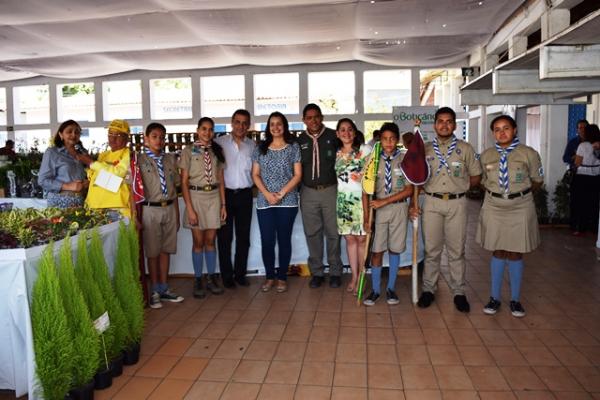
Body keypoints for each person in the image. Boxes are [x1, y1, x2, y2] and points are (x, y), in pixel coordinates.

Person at [415, 107, 482, 313]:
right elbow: (416, 177)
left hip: (457, 204)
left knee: (456, 250)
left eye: (449, 121)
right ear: (434, 124)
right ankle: (428, 289)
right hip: (432, 202)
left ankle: (459, 292)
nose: (444, 125)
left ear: (454, 124)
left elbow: (476, 176)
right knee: (432, 250)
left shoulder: (465, 148)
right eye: (440, 121)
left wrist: (460, 190)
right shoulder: (424, 149)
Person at [477, 115, 544, 318]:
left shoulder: (528, 154)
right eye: (497, 129)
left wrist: (517, 194)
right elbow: (481, 180)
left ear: (514, 130)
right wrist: (499, 193)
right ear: (493, 133)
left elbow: (537, 180)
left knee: (516, 251)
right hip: (494, 205)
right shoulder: (487, 155)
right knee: (498, 250)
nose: (502, 132)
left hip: (520, 206)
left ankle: (515, 300)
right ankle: (494, 298)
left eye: (506, 128)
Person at [363, 122, 413, 306]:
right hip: (378, 211)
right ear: (379, 140)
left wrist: (386, 201)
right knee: (377, 251)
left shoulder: (405, 159)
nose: (389, 142)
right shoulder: (372, 159)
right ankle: (375, 290)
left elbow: (409, 190)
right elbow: (365, 190)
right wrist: (367, 216)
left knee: (395, 249)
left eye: (392, 138)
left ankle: (391, 289)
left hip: (398, 209)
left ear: (397, 139)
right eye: (385, 139)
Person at [252, 112, 302, 293]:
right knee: (267, 241)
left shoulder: (293, 147)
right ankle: (269, 277)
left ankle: (281, 277)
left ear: (284, 126)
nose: (275, 127)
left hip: (287, 201)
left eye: (279, 124)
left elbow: (298, 175)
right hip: (265, 203)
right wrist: (267, 194)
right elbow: (255, 175)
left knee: (284, 240)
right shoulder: (260, 148)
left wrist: (280, 194)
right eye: (272, 124)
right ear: (268, 127)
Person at [297, 103, 343, 288]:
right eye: (309, 118)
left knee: (333, 233)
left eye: (316, 116)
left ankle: (335, 272)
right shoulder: (298, 141)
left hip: (331, 190)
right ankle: (317, 272)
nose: (313, 120)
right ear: (304, 120)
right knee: (312, 233)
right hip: (308, 192)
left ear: (321, 117)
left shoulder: (334, 136)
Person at [138, 122, 183, 309]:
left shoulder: (170, 159)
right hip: (150, 209)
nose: (159, 140)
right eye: (154, 136)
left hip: (170, 207)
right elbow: (135, 191)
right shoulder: (138, 160)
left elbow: (175, 187)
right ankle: (154, 290)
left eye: (162, 137)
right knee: (153, 251)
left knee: (166, 249)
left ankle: (164, 288)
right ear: (146, 139)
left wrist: (177, 214)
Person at [180, 117, 226, 298]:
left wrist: (223, 205)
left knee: (210, 241)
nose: (207, 133)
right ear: (198, 130)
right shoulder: (188, 151)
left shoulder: (217, 150)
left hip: (214, 197)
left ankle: (212, 277)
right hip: (196, 197)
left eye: (210, 129)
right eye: (204, 129)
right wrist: (189, 208)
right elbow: (183, 182)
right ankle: (198, 278)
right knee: (198, 242)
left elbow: (221, 180)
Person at [215, 109, 255, 288]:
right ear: (232, 123)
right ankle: (227, 276)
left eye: (245, 123)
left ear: (249, 125)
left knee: (243, 238)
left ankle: (240, 274)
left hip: (245, 195)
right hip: (225, 196)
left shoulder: (253, 146)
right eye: (238, 122)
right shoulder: (219, 143)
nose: (241, 126)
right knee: (225, 238)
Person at [334, 118, 371, 293]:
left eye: (350, 129)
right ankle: (354, 276)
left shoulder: (365, 150)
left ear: (355, 132)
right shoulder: (335, 153)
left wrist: (363, 175)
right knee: (349, 239)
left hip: (361, 199)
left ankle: (362, 276)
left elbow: (373, 175)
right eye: (342, 130)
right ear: (337, 133)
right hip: (343, 200)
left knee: (362, 239)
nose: (346, 133)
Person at [82, 119, 135, 219]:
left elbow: (118, 173)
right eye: (110, 134)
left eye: (118, 135)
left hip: (116, 208)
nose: (113, 138)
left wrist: (92, 164)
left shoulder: (129, 154)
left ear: (127, 138)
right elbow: (93, 176)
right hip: (95, 206)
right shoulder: (103, 155)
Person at [38, 120, 88, 208]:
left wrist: (87, 182)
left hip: (81, 202)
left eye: (77, 132)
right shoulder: (52, 152)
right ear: (61, 134)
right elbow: (43, 181)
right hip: (60, 202)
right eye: (69, 132)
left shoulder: (83, 153)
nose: (73, 135)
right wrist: (67, 186)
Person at [571, 124, 600, 236]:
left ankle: (581, 228)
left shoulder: (583, 145)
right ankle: (594, 228)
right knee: (594, 203)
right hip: (597, 176)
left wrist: (574, 160)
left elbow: (577, 163)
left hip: (582, 176)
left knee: (581, 203)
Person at [563, 119, 589, 231]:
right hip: (577, 175)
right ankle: (574, 226)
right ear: (577, 130)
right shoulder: (573, 142)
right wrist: (574, 157)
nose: (582, 130)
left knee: (589, 202)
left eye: (584, 127)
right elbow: (565, 158)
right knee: (575, 201)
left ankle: (587, 226)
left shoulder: (594, 142)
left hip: (592, 176)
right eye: (580, 128)